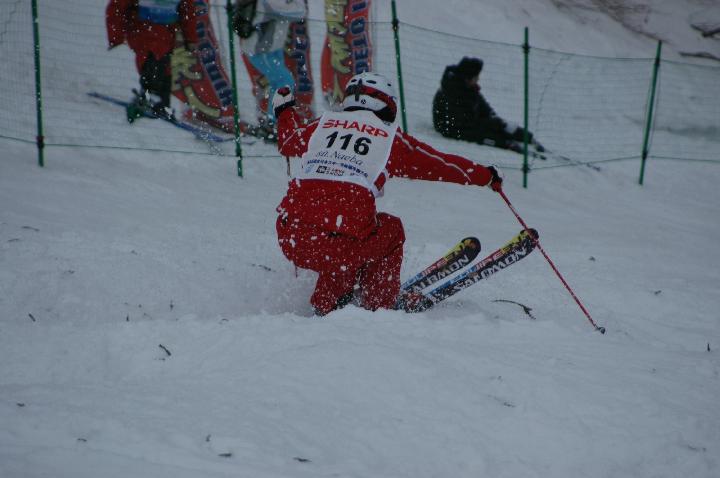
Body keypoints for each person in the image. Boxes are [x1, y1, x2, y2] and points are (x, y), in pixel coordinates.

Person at [271, 72, 504, 316]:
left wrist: (285, 111)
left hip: (291, 237)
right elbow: (441, 164)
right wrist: (485, 176)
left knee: (351, 235)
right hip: (338, 243)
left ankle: (333, 298)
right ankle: (379, 303)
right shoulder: (389, 138)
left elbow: (288, 142)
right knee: (388, 231)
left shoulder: (322, 125)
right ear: (386, 103)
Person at [106, 0, 200, 119]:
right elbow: (116, 7)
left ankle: (161, 103)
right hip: (143, 29)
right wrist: (115, 37)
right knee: (153, 60)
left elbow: (187, 10)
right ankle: (152, 98)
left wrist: (191, 38)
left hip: (166, 33)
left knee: (164, 68)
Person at [432, 57, 544, 154]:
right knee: (482, 134)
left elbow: (484, 108)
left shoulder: (469, 89)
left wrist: (500, 123)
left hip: (466, 122)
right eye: (476, 76)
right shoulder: (452, 91)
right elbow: (466, 122)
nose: (478, 79)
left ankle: (527, 138)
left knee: (499, 125)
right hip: (451, 128)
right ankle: (506, 143)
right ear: (467, 78)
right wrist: (493, 124)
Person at [232, 0, 311, 128]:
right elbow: (299, 12)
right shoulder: (268, 2)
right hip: (261, 51)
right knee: (285, 82)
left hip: (273, 48)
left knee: (277, 84)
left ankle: (272, 122)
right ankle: (274, 124)